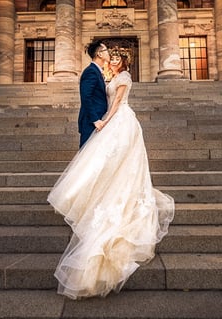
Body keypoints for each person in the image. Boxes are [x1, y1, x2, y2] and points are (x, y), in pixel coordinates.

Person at [47, 47, 175, 300]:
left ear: (124, 62)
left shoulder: (124, 78)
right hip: (106, 120)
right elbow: (93, 95)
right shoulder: (102, 75)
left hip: (120, 120)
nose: (113, 59)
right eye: (110, 56)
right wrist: (99, 119)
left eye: (117, 58)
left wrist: (103, 119)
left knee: (121, 161)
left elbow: (116, 102)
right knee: (107, 161)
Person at [78, 40, 110, 148]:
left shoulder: (97, 71)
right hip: (91, 121)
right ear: (99, 54)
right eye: (106, 50)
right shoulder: (91, 71)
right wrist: (95, 120)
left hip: (98, 119)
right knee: (86, 158)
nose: (108, 53)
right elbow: (86, 96)